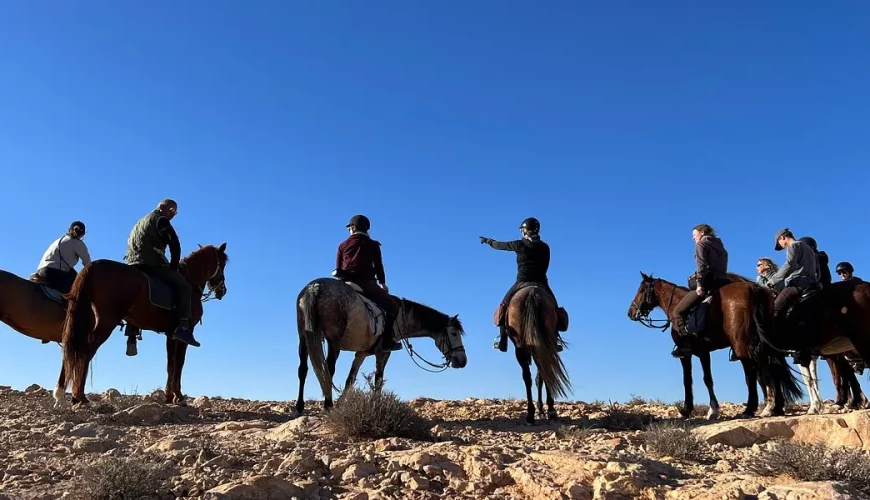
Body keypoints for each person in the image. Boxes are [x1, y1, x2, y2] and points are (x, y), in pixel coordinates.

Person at [479, 217, 563, 353]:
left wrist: (488, 241)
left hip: (522, 282)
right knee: (555, 308)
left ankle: (502, 340)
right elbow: (546, 265)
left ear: (525, 231)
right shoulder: (545, 247)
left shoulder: (519, 244)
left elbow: (500, 245)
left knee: (504, 306)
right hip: (541, 282)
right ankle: (556, 338)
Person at [123, 199, 198, 347]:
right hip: (151, 262)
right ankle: (182, 327)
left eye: (175, 213)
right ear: (162, 207)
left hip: (132, 263)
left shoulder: (140, 222)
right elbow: (174, 244)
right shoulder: (161, 220)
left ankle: (132, 332)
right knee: (184, 287)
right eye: (171, 211)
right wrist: (174, 265)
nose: (173, 215)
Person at [334, 214, 402, 351]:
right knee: (393, 308)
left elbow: (338, 268)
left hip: (344, 282)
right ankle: (387, 341)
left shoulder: (342, 245)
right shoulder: (373, 245)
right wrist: (382, 283)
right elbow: (378, 266)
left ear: (353, 228)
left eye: (349, 228)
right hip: (365, 283)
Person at [669, 224, 729, 358]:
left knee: (678, 311)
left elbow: (701, 266)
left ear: (702, 233)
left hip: (708, 282)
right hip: (723, 281)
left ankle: (685, 347)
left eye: (694, 234)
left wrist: (700, 285)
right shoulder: (719, 245)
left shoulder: (701, 245)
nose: (693, 238)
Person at [765, 228, 819, 325]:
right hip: (812, 284)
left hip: (797, 284)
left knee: (774, 310)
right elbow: (817, 270)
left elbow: (789, 265)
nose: (782, 247)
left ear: (783, 237)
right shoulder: (809, 249)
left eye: (779, 243)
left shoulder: (793, 246)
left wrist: (772, 281)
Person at [34, 221, 92, 294]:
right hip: (55, 273)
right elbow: (88, 264)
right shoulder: (77, 243)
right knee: (79, 290)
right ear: (82, 234)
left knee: (74, 274)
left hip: (41, 271)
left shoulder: (59, 240)